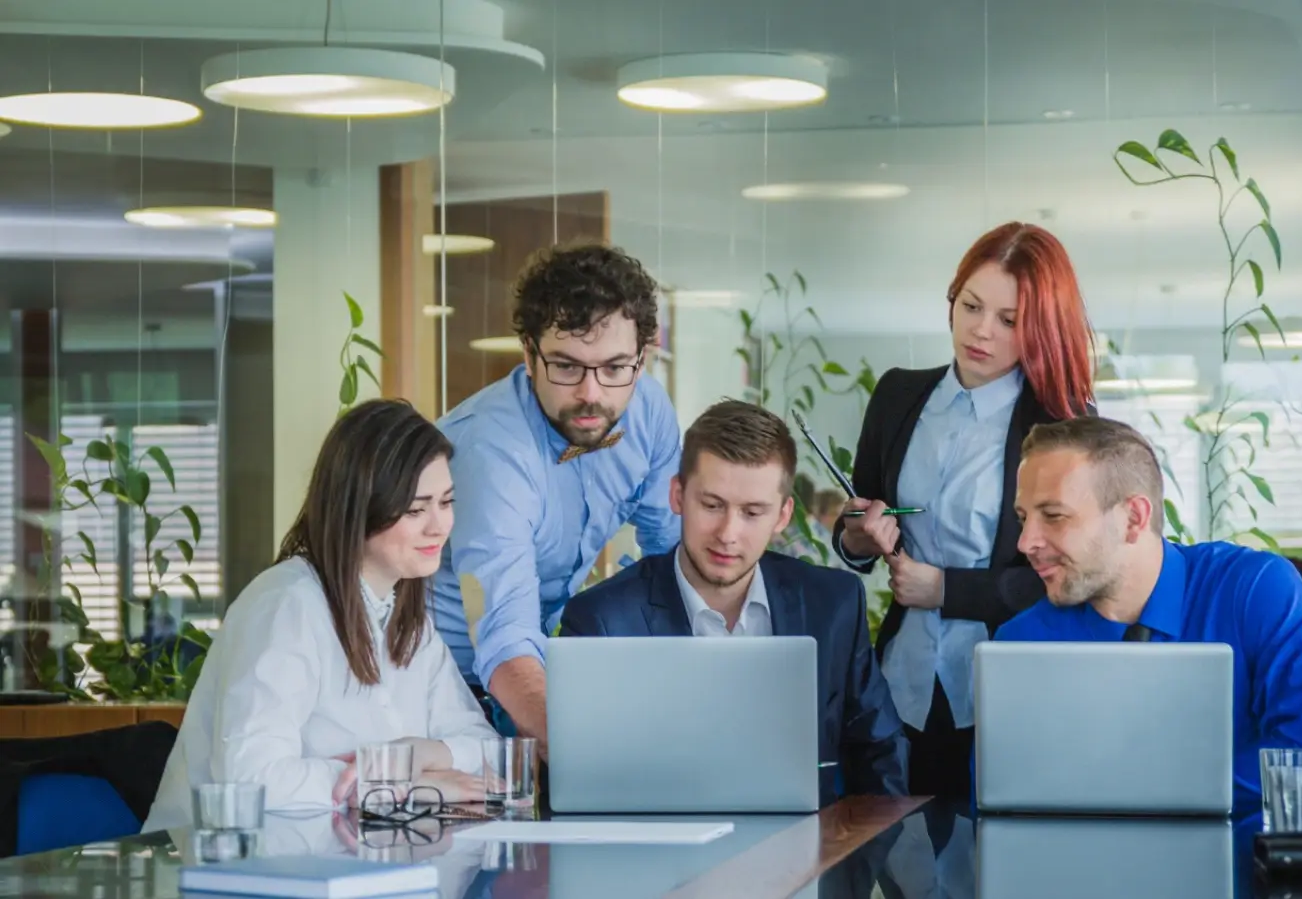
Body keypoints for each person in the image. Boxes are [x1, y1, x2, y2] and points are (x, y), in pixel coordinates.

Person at [834, 221, 1097, 800]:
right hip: (900, 683)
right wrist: (857, 537)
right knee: (899, 867)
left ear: (1041, 329)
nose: (981, 331)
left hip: (1007, 688)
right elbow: (860, 519)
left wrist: (946, 589)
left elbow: (1074, 580)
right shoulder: (899, 395)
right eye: (971, 306)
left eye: (1010, 321)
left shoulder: (1061, 428)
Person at [144, 400, 497, 831]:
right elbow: (250, 779)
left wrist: (419, 754)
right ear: (361, 507)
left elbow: (488, 751)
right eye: (415, 509)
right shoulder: (287, 605)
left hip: (346, 864)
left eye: (446, 502)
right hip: (229, 868)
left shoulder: (408, 619)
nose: (439, 526)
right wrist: (400, 784)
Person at [999, 416, 1302, 811]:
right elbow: (1004, 797)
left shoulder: (1255, 591)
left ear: (1133, 518)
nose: (1026, 542)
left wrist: (1124, 787)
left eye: (1053, 516)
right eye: (1023, 518)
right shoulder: (1022, 645)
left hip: (1253, 868)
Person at [561, 400, 908, 801]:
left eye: (753, 512)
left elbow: (881, 755)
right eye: (712, 505)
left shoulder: (832, 605)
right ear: (677, 496)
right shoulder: (601, 622)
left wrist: (864, 859)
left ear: (782, 516)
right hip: (661, 856)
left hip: (812, 852)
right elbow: (586, 786)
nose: (728, 533)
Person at [430, 242, 681, 741]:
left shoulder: (648, 411)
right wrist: (581, 749)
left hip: (542, 667)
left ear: (643, 356)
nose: (592, 393)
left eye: (614, 368)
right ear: (528, 352)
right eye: (566, 366)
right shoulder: (493, 453)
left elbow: (670, 559)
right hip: (445, 685)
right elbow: (501, 631)